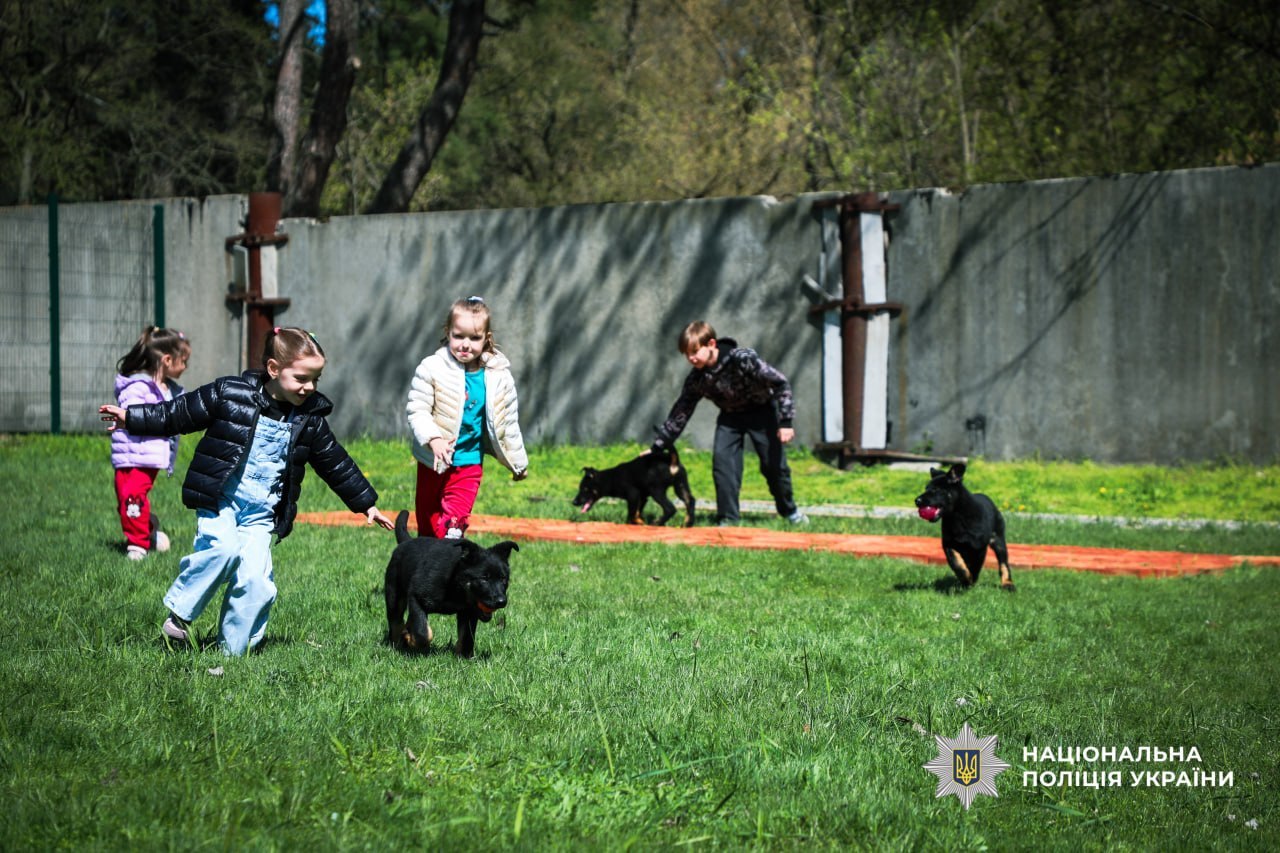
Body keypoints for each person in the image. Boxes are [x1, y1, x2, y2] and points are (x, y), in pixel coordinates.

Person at [98, 327, 395, 656]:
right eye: (301, 378)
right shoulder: (230, 393)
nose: (309, 387)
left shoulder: (309, 419)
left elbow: (334, 462)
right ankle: (180, 617)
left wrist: (366, 503)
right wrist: (133, 418)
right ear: (273, 369)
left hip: (261, 514)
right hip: (220, 500)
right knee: (222, 551)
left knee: (257, 582)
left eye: (316, 379)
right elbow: (178, 414)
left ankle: (233, 655)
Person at [651, 321, 807, 527]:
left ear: (711, 344)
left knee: (774, 467)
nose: (691, 358)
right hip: (730, 418)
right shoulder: (697, 379)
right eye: (686, 354)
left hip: (762, 413)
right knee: (723, 465)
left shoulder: (742, 359)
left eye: (695, 351)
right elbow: (681, 411)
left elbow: (780, 382)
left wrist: (785, 421)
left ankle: (790, 512)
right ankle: (728, 518)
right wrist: (658, 446)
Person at [407, 296, 528, 539]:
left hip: (470, 462)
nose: (465, 344)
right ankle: (426, 567)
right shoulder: (432, 368)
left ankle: (450, 555)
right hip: (434, 461)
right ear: (448, 332)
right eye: (458, 336)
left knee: (454, 525)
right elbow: (417, 409)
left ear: (487, 338)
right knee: (428, 525)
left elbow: (509, 424)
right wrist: (433, 439)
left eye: (474, 338)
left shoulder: (498, 377)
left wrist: (518, 462)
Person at [110, 326, 191, 560]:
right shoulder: (138, 387)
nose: (185, 367)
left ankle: (137, 546)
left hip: (148, 458)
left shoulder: (170, 391)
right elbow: (132, 414)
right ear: (167, 360)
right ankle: (148, 530)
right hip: (128, 455)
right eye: (183, 361)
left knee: (132, 499)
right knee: (127, 502)